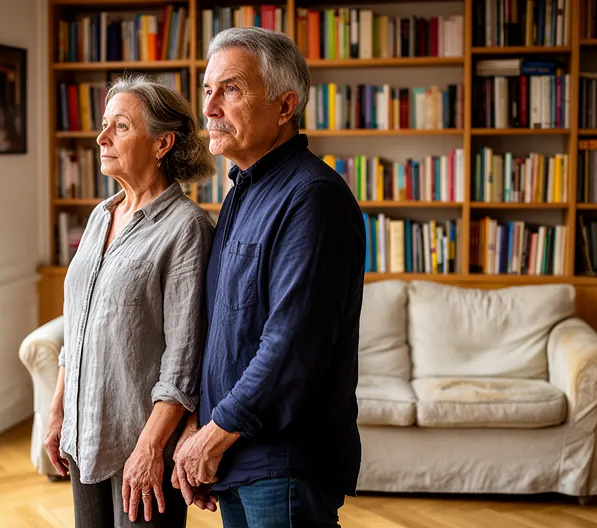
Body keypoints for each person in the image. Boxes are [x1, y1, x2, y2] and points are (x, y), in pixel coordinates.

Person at [171, 27, 367, 527]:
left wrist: (213, 435)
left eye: (231, 90)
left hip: (283, 464)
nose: (210, 107)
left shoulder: (312, 197)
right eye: (208, 90)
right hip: (238, 455)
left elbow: (291, 347)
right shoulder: (240, 191)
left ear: (285, 108)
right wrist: (199, 427)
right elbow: (225, 332)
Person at [43, 74, 215, 527]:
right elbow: (74, 322)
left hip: (140, 446)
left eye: (120, 126)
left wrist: (150, 449)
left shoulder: (186, 228)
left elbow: (183, 362)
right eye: (104, 124)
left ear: (162, 144)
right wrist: (58, 409)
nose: (101, 138)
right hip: (83, 437)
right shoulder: (101, 215)